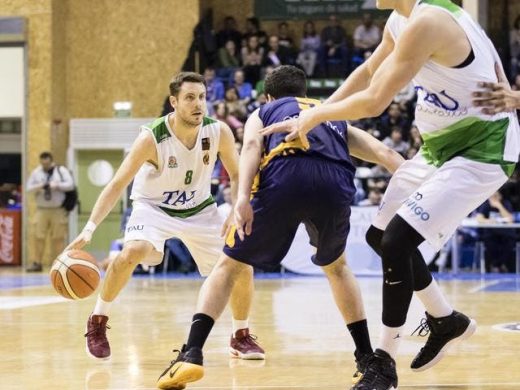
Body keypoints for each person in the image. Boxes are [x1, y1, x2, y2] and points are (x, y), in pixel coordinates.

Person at [261, 2, 520, 389]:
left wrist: (315, 118)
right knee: (379, 236)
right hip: (440, 146)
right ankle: (445, 319)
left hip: (482, 148)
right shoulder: (401, 19)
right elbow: (368, 71)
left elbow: (376, 100)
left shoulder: (429, 21)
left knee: (398, 241)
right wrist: (316, 110)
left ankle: (384, 362)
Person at [156, 65, 404, 390]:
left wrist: (241, 198)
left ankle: (192, 352)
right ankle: (365, 356)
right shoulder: (328, 112)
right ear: (304, 92)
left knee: (229, 266)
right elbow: (384, 153)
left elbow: (251, 148)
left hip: (286, 175)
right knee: (338, 269)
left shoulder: (265, 111)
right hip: (336, 183)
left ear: (269, 96)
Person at [65, 72, 264, 362]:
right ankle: (97, 321)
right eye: (189, 98)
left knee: (241, 265)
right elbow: (117, 184)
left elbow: (236, 174)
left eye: (202, 97)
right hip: (153, 207)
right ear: (174, 102)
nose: (198, 104)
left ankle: (240, 335)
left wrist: (236, 207)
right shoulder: (151, 137)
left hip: (199, 209)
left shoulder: (218, 132)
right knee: (134, 251)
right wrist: (90, 228)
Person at [26, 151, 74, 272]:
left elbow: (70, 185)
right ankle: (37, 263)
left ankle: (60, 263)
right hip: (42, 210)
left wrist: (56, 185)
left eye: (47, 163)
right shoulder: (37, 172)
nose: (45, 166)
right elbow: (28, 188)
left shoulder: (60, 170)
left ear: (51, 161)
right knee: (38, 236)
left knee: (58, 238)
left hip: (58, 210)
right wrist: (40, 186)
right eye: (43, 164)